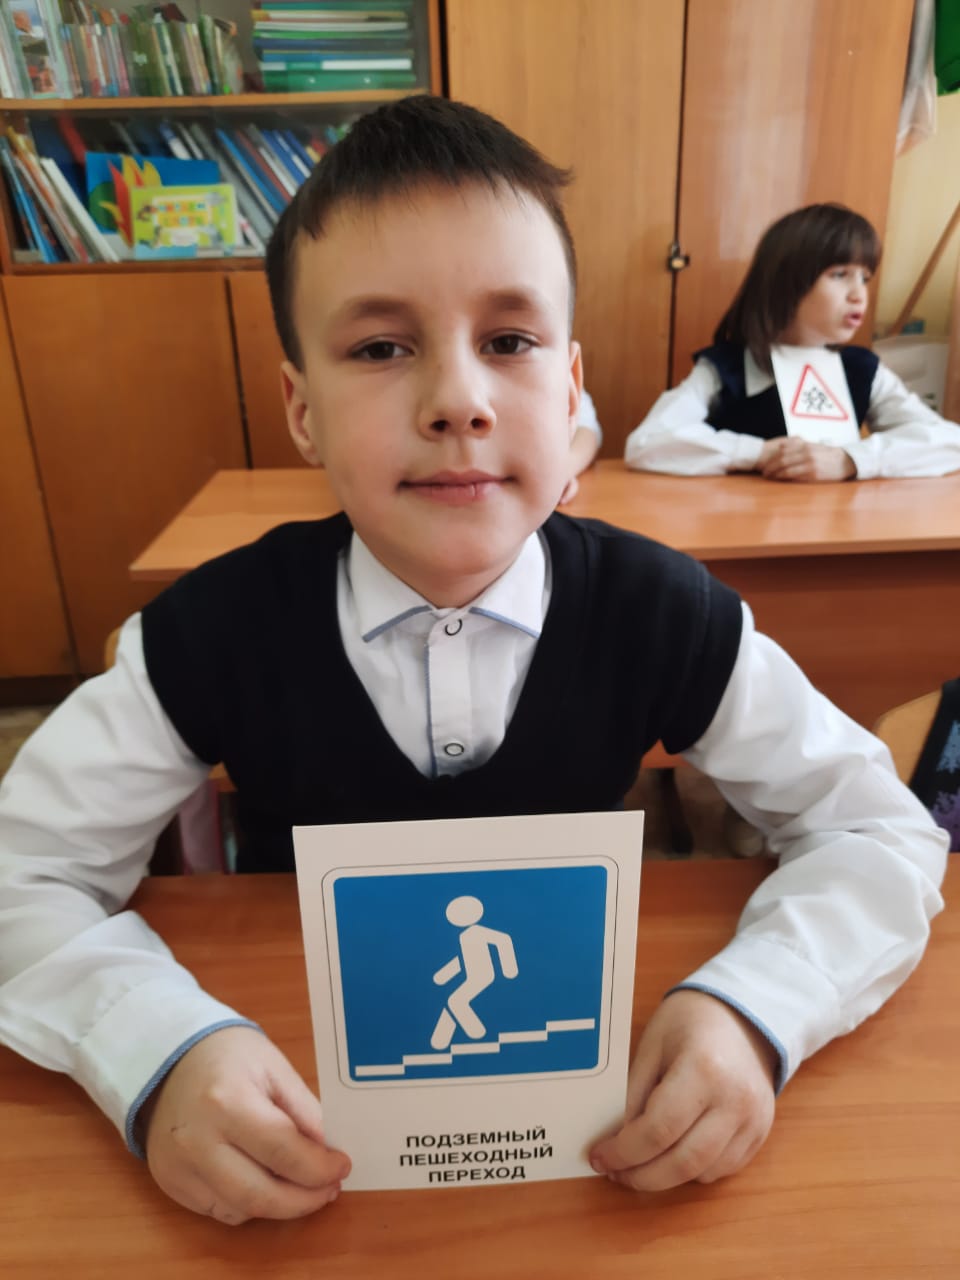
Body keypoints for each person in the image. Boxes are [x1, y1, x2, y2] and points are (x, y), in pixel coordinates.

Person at [0, 100, 948, 1226]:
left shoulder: (663, 611)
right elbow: (22, 870)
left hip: (581, 1143)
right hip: (305, 1119)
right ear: (301, 409)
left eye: (509, 342)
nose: (458, 400)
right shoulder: (212, 630)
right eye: (380, 348)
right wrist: (155, 1047)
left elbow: (878, 831)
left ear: (570, 388)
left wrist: (757, 1008)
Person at [624, 203, 960, 481]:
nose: (859, 294)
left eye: (865, 278)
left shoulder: (862, 369)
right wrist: (759, 453)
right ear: (786, 281)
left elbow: (950, 442)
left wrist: (849, 460)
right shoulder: (729, 366)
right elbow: (647, 443)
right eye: (840, 275)